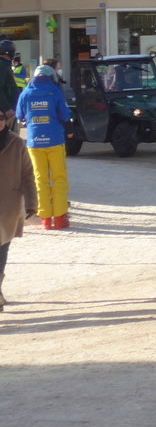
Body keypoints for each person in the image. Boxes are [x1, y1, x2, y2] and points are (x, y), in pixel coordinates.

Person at [17, 64, 74, 230]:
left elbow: (20, 116)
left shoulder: (25, 93)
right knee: (59, 178)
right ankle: (60, 217)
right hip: (55, 140)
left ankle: (46, 219)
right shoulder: (54, 91)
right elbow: (64, 114)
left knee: (39, 179)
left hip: (34, 142)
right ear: (51, 77)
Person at [0, 112, 37, 311]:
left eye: (0, 119)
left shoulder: (16, 144)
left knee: (2, 248)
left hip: (8, 205)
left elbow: (27, 175)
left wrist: (32, 203)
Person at [0, 40, 20, 127]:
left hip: (8, 111)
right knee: (8, 139)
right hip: (5, 113)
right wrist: (7, 108)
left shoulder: (5, 65)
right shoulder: (2, 66)